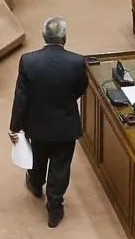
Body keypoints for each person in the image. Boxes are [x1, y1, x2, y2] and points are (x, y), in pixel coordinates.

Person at [10, 17, 87, 228]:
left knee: (39, 155)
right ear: (64, 37)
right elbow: (80, 89)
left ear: (44, 36)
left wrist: (14, 127)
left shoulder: (28, 61)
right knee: (60, 166)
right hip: (65, 124)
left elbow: (21, 97)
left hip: (37, 124)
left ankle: (35, 184)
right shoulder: (78, 61)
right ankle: (55, 207)